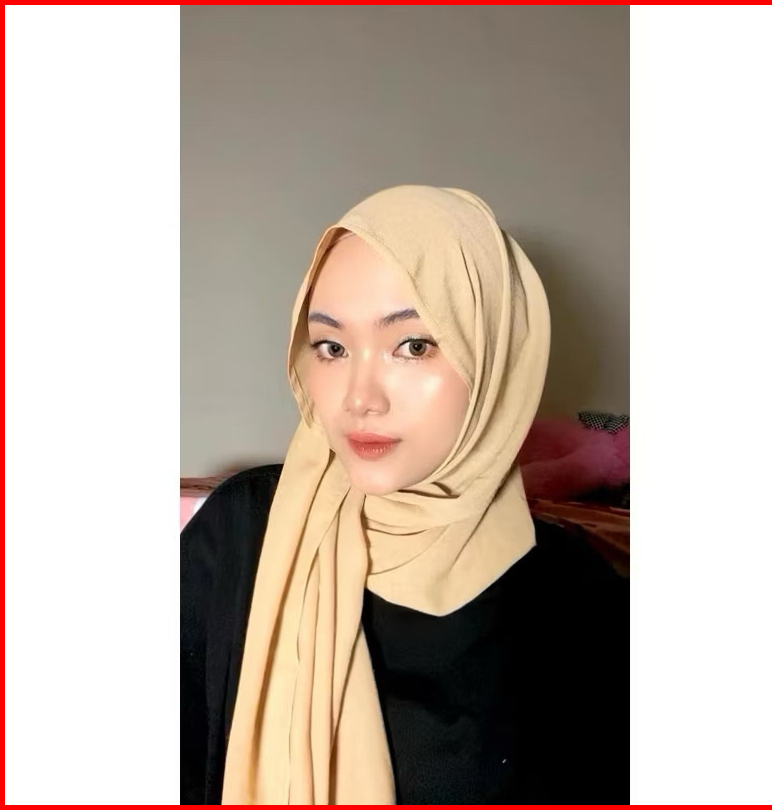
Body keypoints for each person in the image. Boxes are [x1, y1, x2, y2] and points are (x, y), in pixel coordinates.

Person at [181, 185, 628, 805]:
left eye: (413, 346)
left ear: (494, 355)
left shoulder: (575, 602)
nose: (360, 397)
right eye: (332, 347)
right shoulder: (242, 533)